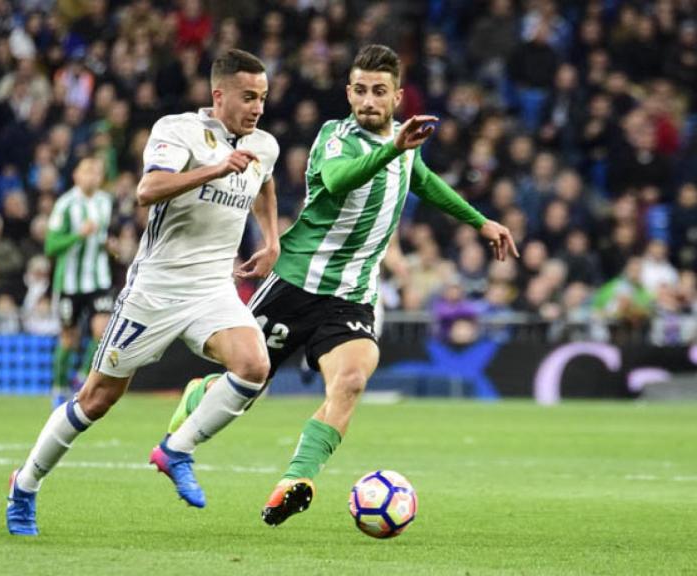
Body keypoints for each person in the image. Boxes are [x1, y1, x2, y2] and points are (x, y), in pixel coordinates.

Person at [165, 44, 519, 527]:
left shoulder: (403, 145)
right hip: (295, 283)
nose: (368, 101)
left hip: (352, 296)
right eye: (360, 90)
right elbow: (336, 180)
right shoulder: (336, 137)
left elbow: (424, 180)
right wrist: (395, 149)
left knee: (351, 380)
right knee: (247, 388)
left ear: (396, 97)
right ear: (348, 93)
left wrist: (481, 223)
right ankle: (202, 392)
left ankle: (297, 480)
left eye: (379, 91)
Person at [6, 49, 281, 536]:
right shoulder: (176, 130)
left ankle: (176, 449)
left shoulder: (264, 144)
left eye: (262, 97)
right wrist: (215, 169)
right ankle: (24, 485)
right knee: (95, 400)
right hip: (154, 290)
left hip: (213, 287)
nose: (257, 107)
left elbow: (264, 185)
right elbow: (147, 189)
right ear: (218, 95)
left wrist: (272, 239)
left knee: (254, 365)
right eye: (247, 97)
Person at [44, 158, 115, 405]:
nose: (92, 176)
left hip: (99, 279)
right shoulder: (65, 205)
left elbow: (104, 237)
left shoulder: (105, 202)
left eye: (97, 171)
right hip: (70, 283)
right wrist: (78, 235)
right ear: (76, 175)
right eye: (87, 171)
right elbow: (50, 246)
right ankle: (58, 388)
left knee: (103, 331)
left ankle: (83, 375)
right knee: (68, 338)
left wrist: (109, 245)